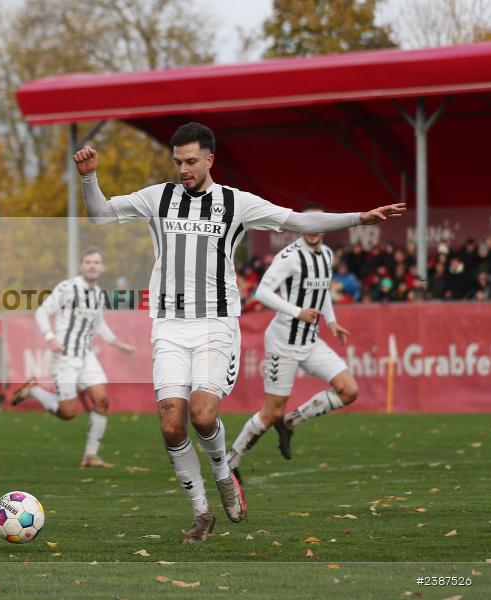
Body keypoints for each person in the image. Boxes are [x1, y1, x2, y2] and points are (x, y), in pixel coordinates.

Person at [73, 122, 404, 543]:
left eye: (191, 161)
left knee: (203, 414)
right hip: (169, 326)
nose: (183, 170)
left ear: (210, 159)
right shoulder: (158, 197)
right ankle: (201, 512)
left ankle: (223, 473)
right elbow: (100, 213)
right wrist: (89, 177)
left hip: (216, 325)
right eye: (178, 162)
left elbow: (298, 221)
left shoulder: (237, 203)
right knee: (172, 426)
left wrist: (358, 218)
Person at [227, 204, 359, 481]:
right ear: (299, 226)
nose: (312, 229)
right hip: (283, 342)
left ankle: (291, 421)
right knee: (271, 412)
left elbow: (322, 291)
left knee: (349, 391)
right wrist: (297, 312)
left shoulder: (327, 255)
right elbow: (261, 292)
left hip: (310, 341)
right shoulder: (289, 256)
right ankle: (231, 460)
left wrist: (331, 322)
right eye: (306, 223)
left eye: (318, 223)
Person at [11, 248, 136, 468]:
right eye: (88, 262)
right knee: (68, 413)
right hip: (64, 357)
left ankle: (90, 456)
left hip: (86, 355)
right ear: (81, 266)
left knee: (102, 400)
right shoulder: (67, 288)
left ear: (102, 267)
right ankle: (34, 390)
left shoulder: (98, 294)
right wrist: (50, 337)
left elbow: (99, 325)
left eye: (96, 262)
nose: (92, 266)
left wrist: (118, 344)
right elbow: (41, 312)